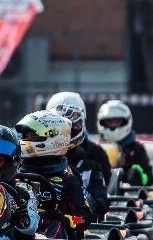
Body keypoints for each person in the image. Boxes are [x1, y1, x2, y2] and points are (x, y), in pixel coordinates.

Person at [15, 109, 93, 238]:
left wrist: (64, 219)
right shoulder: (15, 175)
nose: (25, 140)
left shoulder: (69, 179)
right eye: (25, 136)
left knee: (56, 225)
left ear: (53, 137)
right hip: (19, 233)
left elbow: (84, 219)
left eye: (32, 137)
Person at [46, 93, 109, 221]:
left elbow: (102, 203)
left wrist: (79, 194)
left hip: (74, 223)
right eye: (57, 130)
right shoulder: (37, 164)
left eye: (67, 129)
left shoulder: (90, 167)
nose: (63, 135)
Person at [96, 100, 153, 188]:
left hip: (128, 191)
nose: (113, 125)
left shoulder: (137, 149)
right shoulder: (95, 148)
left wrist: (127, 163)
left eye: (117, 122)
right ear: (102, 123)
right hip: (99, 189)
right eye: (110, 122)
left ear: (126, 122)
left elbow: (149, 178)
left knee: (135, 170)